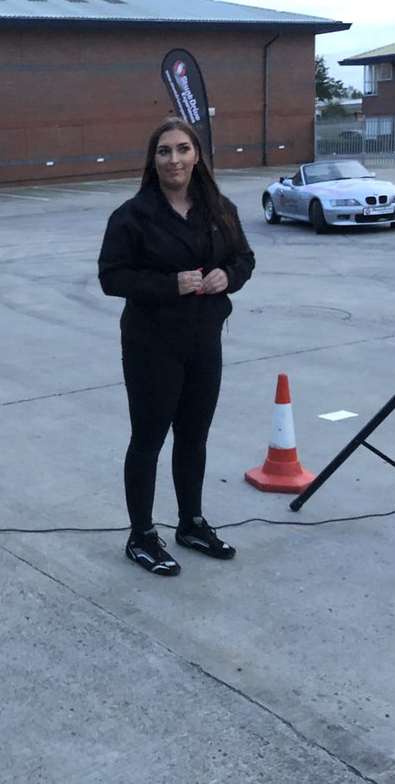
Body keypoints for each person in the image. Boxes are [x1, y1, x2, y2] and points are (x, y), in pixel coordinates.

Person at [97, 117, 255, 576]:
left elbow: (243, 256)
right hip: (152, 345)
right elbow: (112, 277)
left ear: (197, 155)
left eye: (183, 149)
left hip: (205, 341)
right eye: (164, 151)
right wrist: (170, 284)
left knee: (194, 438)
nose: (174, 160)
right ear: (153, 160)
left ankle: (191, 523)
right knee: (148, 441)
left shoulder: (218, 208)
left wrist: (230, 276)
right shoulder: (132, 215)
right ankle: (141, 534)